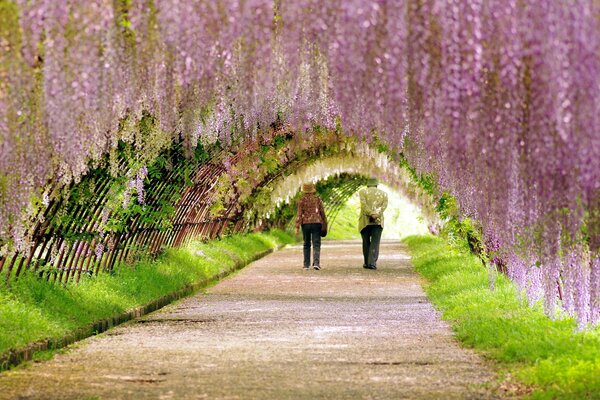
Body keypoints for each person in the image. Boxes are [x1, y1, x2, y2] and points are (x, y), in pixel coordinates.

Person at [358, 178, 388, 270]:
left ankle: (367, 263)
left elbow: (363, 205)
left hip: (365, 221)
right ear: (376, 184)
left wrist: (371, 213)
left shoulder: (362, 192)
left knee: (366, 242)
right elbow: (384, 206)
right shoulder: (384, 193)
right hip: (378, 221)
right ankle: (372, 263)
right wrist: (376, 214)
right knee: (375, 242)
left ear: (368, 184)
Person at [296, 182, 327, 270]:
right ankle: (316, 263)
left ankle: (306, 265)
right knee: (316, 243)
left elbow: (299, 214)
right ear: (313, 190)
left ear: (304, 190)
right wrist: (324, 222)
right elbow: (322, 212)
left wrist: (297, 227)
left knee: (306, 244)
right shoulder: (317, 199)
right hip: (317, 223)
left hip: (305, 223)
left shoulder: (301, 200)